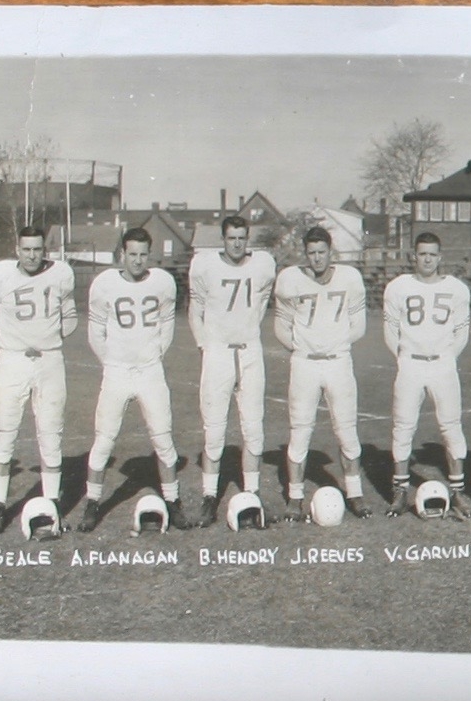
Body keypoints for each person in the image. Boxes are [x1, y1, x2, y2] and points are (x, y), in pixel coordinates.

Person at [0, 225, 78, 534]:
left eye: (38, 250)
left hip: (49, 362)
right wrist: (5, 344)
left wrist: (49, 340)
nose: (32, 255)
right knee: (5, 436)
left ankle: (53, 505)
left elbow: (70, 317)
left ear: (45, 251)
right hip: (12, 363)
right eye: (26, 249)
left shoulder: (60, 274)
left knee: (51, 436)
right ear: (17, 249)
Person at [76, 229, 186, 531]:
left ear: (148, 255)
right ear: (121, 254)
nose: (137, 261)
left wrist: (150, 357)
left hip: (150, 371)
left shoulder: (162, 282)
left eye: (142, 255)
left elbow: (167, 328)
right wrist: (113, 362)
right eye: (132, 254)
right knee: (104, 440)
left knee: (163, 438)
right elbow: (95, 333)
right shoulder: (105, 284)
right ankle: (92, 503)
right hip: (117, 372)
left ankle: (173, 502)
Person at [276, 224, 373, 517]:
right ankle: (295, 496)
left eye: (322, 252)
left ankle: (355, 493)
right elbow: (281, 325)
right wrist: (303, 347)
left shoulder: (350, 278)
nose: (317, 258)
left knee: (346, 431)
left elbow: (359, 325)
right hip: (305, 363)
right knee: (300, 430)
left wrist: (335, 343)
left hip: (338, 362)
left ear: (331, 251)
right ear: (305, 254)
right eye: (311, 253)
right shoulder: (291, 279)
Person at [187, 215, 277, 526]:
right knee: (214, 428)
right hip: (219, 353)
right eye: (231, 238)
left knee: (253, 427)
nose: (237, 243)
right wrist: (205, 346)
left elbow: (262, 302)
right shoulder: (206, 265)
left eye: (241, 237)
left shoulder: (262, 264)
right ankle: (209, 495)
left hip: (250, 350)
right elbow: (195, 309)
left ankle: (252, 493)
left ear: (247, 238)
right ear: (223, 239)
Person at [383, 232, 471, 513]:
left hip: (442, 364)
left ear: (440, 256)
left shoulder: (456, 289)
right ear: (414, 255)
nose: (428, 259)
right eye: (422, 254)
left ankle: (458, 491)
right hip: (411, 363)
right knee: (403, 427)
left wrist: (446, 357)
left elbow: (461, 332)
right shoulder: (399, 287)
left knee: (451, 426)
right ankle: (400, 491)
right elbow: (390, 330)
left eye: (432, 254)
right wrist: (404, 358)